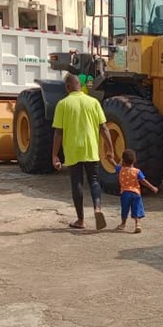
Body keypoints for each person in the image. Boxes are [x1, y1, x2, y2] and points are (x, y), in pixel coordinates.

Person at [51, 73, 116, 230]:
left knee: (77, 182)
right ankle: (97, 208)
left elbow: (58, 132)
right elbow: (104, 128)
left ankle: (81, 220)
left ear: (68, 87)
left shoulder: (63, 104)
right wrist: (110, 149)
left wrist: (54, 155)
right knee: (94, 180)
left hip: (73, 150)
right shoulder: (93, 102)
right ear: (80, 85)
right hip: (91, 148)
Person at [114, 149, 159, 234]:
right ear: (135, 160)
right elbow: (143, 181)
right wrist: (152, 187)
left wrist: (114, 160)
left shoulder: (121, 170)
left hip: (125, 193)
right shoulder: (137, 171)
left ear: (123, 160)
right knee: (137, 208)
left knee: (125, 209)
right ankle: (137, 224)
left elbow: (114, 165)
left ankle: (123, 224)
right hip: (136, 193)